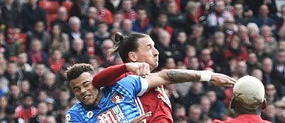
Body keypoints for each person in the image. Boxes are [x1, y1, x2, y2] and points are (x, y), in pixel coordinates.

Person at [92, 32, 236, 122]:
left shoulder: (151, 79)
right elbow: (97, 81)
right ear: (133, 56)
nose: (156, 52)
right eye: (149, 47)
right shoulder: (127, 78)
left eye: (154, 46)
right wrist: (208, 76)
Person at [66, 62, 235, 122]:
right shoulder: (75, 115)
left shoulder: (123, 86)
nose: (83, 91)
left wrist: (208, 76)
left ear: (96, 81)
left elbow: (166, 76)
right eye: (76, 89)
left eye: (86, 84)